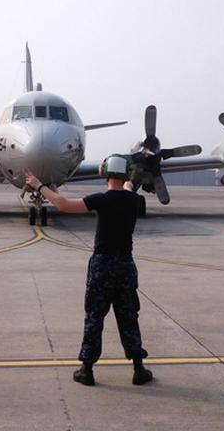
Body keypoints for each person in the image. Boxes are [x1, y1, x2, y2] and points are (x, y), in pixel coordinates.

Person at [24, 155, 153, 387]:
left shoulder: (101, 200)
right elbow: (128, 186)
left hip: (102, 265)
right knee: (128, 316)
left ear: (104, 173)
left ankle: (87, 369)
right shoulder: (133, 200)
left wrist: (38, 185)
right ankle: (138, 369)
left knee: (94, 316)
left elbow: (62, 204)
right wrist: (134, 172)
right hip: (125, 266)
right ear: (125, 175)